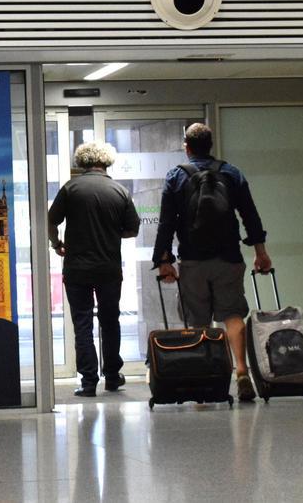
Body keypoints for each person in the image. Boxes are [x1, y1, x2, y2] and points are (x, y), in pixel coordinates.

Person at [151, 123, 271, 403]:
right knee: (232, 314)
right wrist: (260, 251)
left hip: (192, 259)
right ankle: (241, 372)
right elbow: (250, 216)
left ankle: (203, 377)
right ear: (211, 145)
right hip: (228, 257)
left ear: (187, 147)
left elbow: (166, 223)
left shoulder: (175, 176)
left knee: (198, 319)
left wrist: (164, 260)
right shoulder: (232, 173)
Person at [48, 142, 141, 397]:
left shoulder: (70, 188)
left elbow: (51, 219)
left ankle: (88, 381)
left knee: (82, 323)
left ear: (82, 162)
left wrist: (57, 244)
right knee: (110, 321)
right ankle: (112, 376)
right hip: (109, 269)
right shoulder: (120, 191)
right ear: (106, 162)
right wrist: (112, 233)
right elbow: (133, 229)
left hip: (77, 269)